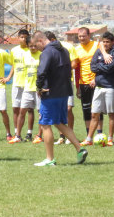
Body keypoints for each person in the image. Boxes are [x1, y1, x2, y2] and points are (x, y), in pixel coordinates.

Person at [32, 31, 88, 166]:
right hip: (64, 92)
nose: (37, 48)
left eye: (36, 45)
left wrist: (39, 87)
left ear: (40, 40)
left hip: (50, 93)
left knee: (45, 124)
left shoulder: (47, 52)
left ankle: (50, 159)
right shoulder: (64, 50)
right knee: (59, 123)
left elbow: (41, 72)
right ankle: (80, 149)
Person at [81, 31, 114, 147]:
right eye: (103, 42)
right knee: (94, 114)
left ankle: (110, 138)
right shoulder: (99, 51)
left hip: (110, 87)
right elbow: (92, 67)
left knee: (111, 114)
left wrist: (100, 66)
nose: (105, 44)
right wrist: (103, 63)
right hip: (98, 87)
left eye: (107, 42)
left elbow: (110, 69)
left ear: (112, 42)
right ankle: (89, 138)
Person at [7, 29, 33, 142]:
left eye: (25, 37)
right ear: (18, 38)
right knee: (16, 109)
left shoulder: (31, 50)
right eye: (21, 37)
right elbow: (13, 65)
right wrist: (9, 77)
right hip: (17, 83)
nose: (23, 39)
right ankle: (17, 132)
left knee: (29, 109)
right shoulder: (14, 50)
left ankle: (29, 133)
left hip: (28, 84)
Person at [75, 27, 102, 134]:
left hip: (96, 82)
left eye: (84, 36)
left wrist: (96, 78)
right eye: (79, 36)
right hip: (83, 83)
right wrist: (77, 87)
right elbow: (77, 70)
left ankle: (100, 134)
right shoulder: (77, 49)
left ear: (89, 36)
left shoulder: (97, 46)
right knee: (86, 109)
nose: (81, 38)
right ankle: (88, 135)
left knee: (97, 109)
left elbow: (102, 63)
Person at [15, 37, 41, 143]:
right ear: (28, 46)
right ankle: (18, 136)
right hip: (27, 87)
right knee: (22, 111)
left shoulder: (42, 55)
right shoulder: (25, 56)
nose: (33, 48)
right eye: (31, 46)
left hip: (39, 88)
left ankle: (39, 136)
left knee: (41, 112)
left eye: (35, 46)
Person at [56, 36, 79, 145]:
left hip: (67, 82)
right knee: (60, 110)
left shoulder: (68, 47)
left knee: (68, 109)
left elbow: (74, 63)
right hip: (55, 83)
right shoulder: (48, 49)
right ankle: (61, 136)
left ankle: (70, 135)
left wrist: (63, 71)